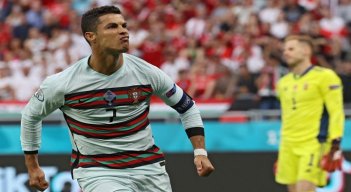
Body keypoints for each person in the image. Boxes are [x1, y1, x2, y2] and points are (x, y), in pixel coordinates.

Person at [20, 5, 214, 192]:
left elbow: (187, 107)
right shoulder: (62, 83)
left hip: (149, 167)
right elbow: (30, 116)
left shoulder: (147, 73)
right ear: (91, 36)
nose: (123, 31)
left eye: (124, 25)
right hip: (98, 170)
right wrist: (33, 166)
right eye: (112, 27)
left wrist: (200, 152)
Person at [275, 35, 344, 192]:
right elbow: (288, 116)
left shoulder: (325, 76)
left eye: (291, 49)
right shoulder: (283, 83)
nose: (286, 52)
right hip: (288, 144)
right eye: (284, 49)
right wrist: (282, 151)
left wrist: (335, 144)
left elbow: (336, 112)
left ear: (306, 51)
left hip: (313, 143)